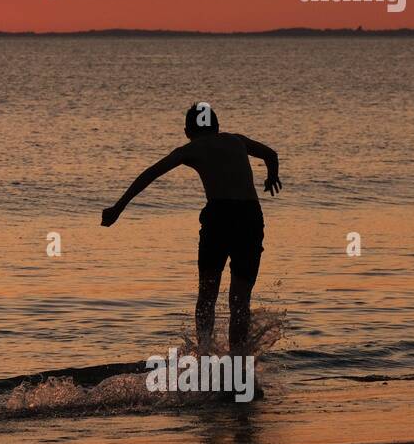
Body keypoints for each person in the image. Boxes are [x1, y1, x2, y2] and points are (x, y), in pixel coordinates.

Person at [101, 104, 281, 353]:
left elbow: (150, 174)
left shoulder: (191, 149)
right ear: (217, 127)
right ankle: (239, 364)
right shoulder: (236, 140)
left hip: (219, 218)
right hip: (249, 217)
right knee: (240, 300)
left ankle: (205, 355)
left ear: (187, 131)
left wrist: (118, 207)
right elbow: (271, 154)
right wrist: (272, 176)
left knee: (207, 295)